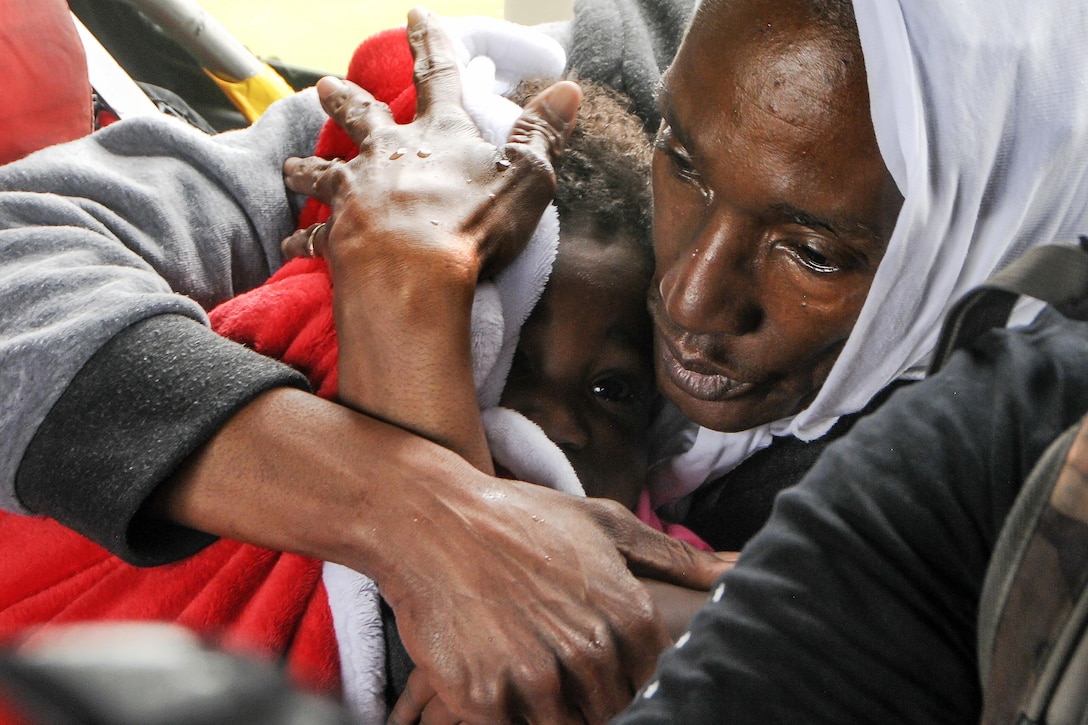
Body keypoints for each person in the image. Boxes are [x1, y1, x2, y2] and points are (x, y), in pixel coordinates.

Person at [0, 9, 728, 722]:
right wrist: (427, 516)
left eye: (612, 388)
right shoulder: (393, 168)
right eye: (511, 367)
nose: (559, 423)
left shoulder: (672, 547)